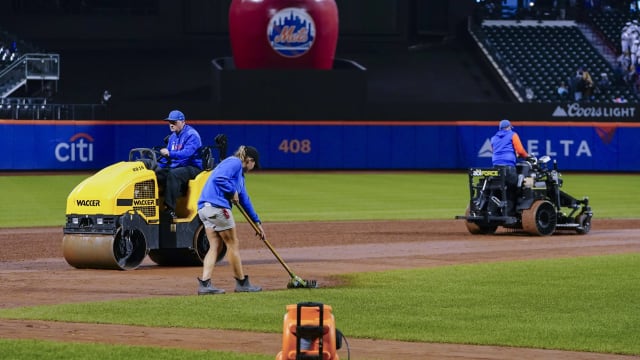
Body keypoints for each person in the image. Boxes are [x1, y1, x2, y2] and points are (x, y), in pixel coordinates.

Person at [196, 145, 263, 295]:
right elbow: (219, 178)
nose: (253, 167)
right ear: (249, 160)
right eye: (254, 164)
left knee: (215, 246)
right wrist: (232, 191)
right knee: (232, 243)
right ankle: (242, 283)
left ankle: (205, 284)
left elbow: (245, 199)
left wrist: (257, 222)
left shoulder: (239, 176)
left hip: (205, 209)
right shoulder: (234, 162)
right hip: (217, 207)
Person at [155, 109, 203, 219]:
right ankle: (156, 207)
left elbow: (187, 153)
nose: (171, 125)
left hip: (193, 167)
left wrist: (170, 154)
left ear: (182, 122)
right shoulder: (172, 137)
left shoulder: (192, 135)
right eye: (169, 122)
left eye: (174, 122)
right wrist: (157, 167)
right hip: (177, 166)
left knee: (174, 174)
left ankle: (170, 210)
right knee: (157, 175)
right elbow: (166, 158)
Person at [490, 120, 529, 212]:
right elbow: (520, 150)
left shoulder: (493, 138)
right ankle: (510, 211)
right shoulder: (512, 135)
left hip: (496, 167)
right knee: (515, 187)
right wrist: (526, 156)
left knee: (497, 188)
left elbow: (494, 151)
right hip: (508, 166)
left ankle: (493, 210)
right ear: (508, 127)